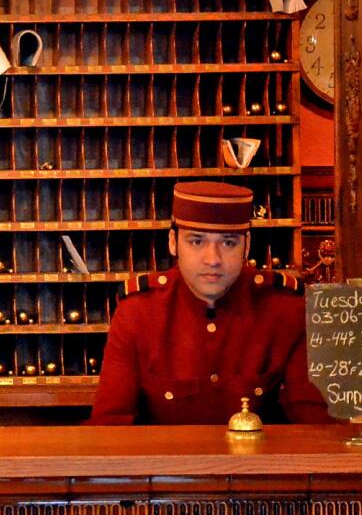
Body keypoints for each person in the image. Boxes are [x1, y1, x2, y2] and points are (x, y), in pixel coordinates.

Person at [89, 181, 331, 425]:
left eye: (228, 243)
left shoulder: (284, 308)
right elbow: (110, 423)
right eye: (196, 241)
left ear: (246, 245)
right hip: (166, 462)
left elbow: (315, 424)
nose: (213, 259)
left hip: (256, 462)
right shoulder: (138, 312)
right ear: (173, 242)